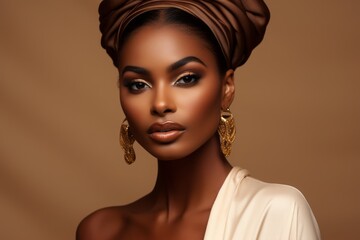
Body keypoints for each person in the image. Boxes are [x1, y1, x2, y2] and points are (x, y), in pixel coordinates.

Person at [76, 0, 321, 239]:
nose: (160, 103)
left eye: (186, 79)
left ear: (226, 88)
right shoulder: (100, 231)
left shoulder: (276, 213)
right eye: (138, 84)